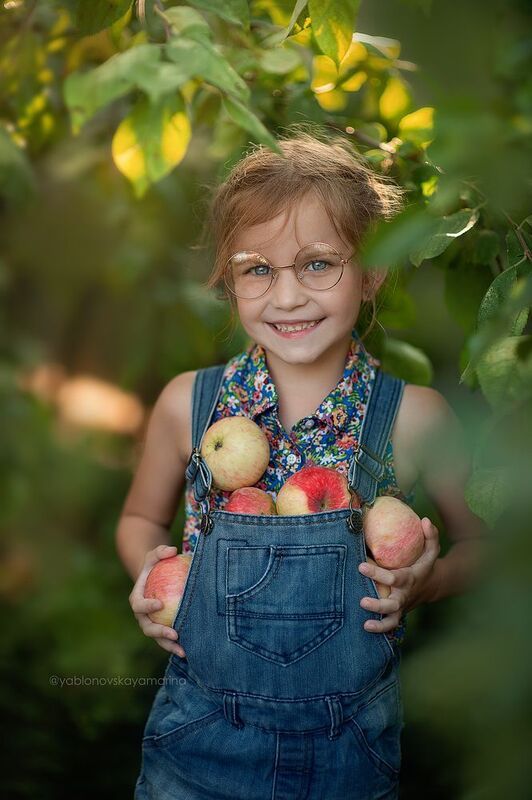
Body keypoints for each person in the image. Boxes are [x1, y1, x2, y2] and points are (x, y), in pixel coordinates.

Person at [116, 128, 486, 799]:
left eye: (318, 264)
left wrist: (426, 584)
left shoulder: (414, 418)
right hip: (196, 747)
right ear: (228, 280)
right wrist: (149, 573)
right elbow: (140, 518)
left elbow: (492, 546)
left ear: (371, 270)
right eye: (257, 269)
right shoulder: (189, 405)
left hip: (350, 758)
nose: (286, 298)